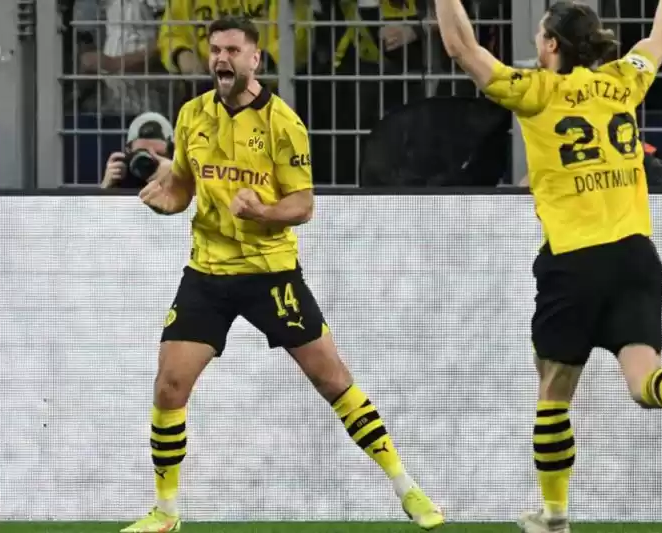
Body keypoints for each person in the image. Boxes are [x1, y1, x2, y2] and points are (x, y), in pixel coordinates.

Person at [119, 16, 443, 533]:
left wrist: (263, 212)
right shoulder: (191, 115)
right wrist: (165, 203)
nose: (221, 59)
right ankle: (166, 512)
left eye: (232, 50)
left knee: (332, 380)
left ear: (255, 59)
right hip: (207, 273)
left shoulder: (283, 123)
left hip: (271, 274)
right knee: (169, 386)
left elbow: (303, 204)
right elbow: (181, 186)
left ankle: (407, 488)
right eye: (215, 50)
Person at [434, 1, 662, 532]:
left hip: (574, 260)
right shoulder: (623, 80)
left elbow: (461, 47)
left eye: (540, 35)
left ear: (551, 44)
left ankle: (554, 515)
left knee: (554, 390)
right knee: (644, 376)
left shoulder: (534, 91)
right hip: (637, 255)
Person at [101, 112, 174, 189]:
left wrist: (176, 178)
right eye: (143, 153)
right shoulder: (123, 175)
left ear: (171, 154)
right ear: (129, 151)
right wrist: (106, 186)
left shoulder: (176, 173)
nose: (149, 162)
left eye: (158, 154)